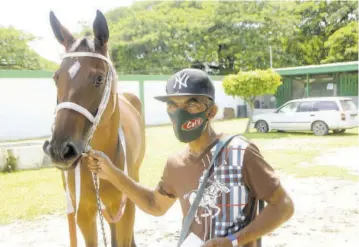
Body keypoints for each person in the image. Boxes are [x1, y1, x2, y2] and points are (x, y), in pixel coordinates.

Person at [84, 68, 294, 247]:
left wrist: (234, 241)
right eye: (173, 105)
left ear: (211, 112)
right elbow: (154, 205)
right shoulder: (176, 164)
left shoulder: (241, 152)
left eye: (191, 104)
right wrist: (112, 173)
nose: (179, 112)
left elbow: (283, 205)